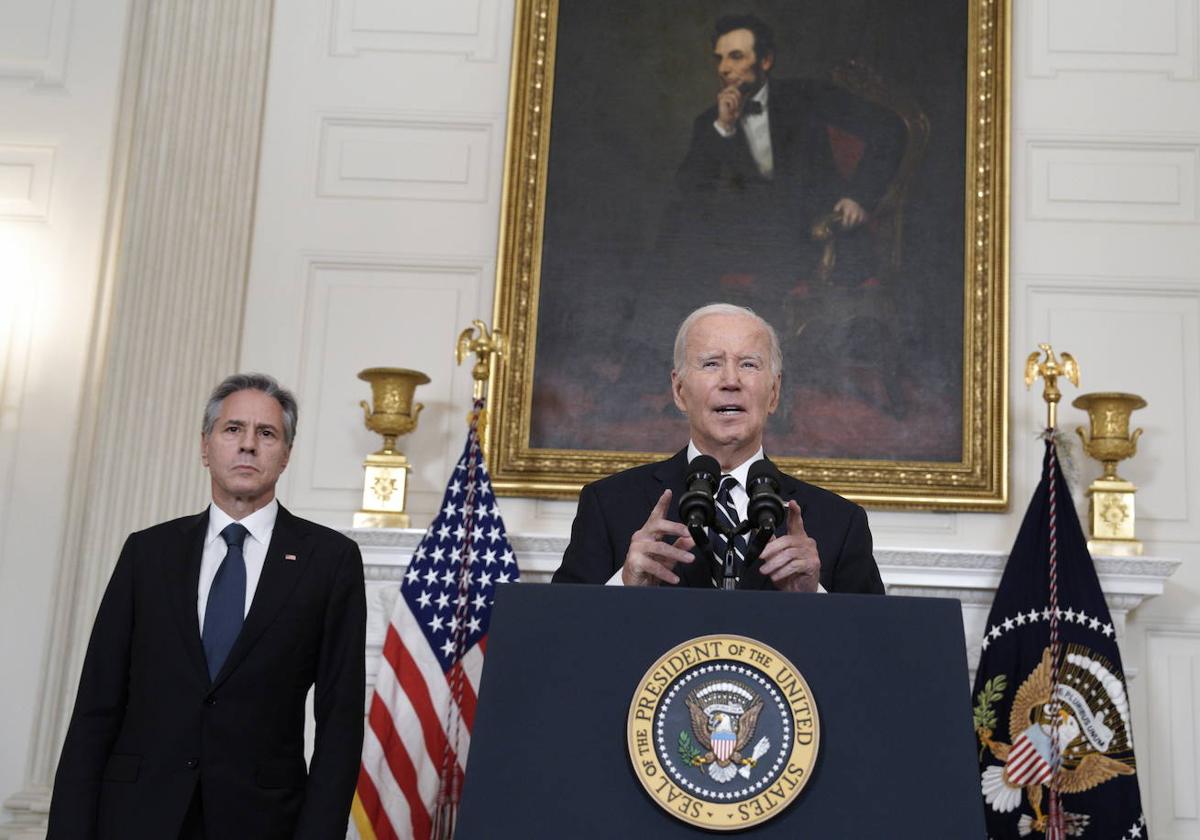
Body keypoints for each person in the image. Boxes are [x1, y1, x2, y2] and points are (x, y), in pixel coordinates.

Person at [48, 374, 366, 840]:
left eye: (267, 433)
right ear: (206, 447)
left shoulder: (329, 560)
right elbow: (96, 705)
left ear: (286, 454)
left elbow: (340, 722)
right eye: (233, 429)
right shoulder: (147, 553)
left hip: (262, 821)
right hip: (136, 816)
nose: (248, 446)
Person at [552, 303, 884, 594]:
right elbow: (558, 638)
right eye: (711, 363)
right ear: (679, 391)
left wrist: (815, 597)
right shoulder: (609, 506)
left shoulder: (840, 523)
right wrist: (624, 586)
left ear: (774, 392)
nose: (731, 380)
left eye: (749, 365)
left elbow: (875, 652)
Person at [661, 13, 905, 296]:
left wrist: (859, 196)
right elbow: (689, 188)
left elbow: (890, 128)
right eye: (720, 58)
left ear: (765, 61)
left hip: (816, 235)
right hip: (748, 241)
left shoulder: (809, 97)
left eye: (736, 56)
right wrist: (723, 128)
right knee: (677, 233)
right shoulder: (710, 121)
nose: (725, 68)